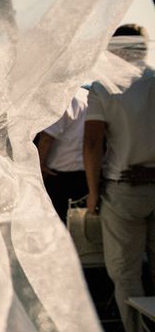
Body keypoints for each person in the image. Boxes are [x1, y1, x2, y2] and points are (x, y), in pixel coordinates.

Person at [84, 75, 155, 332]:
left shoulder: (103, 86)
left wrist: (92, 192)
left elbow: (92, 142)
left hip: (123, 188)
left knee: (126, 273)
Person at [36, 87, 89, 223]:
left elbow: (47, 138)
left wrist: (39, 165)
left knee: (58, 224)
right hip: (85, 173)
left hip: (59, 176)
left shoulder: (63, 98)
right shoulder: (88, 95)